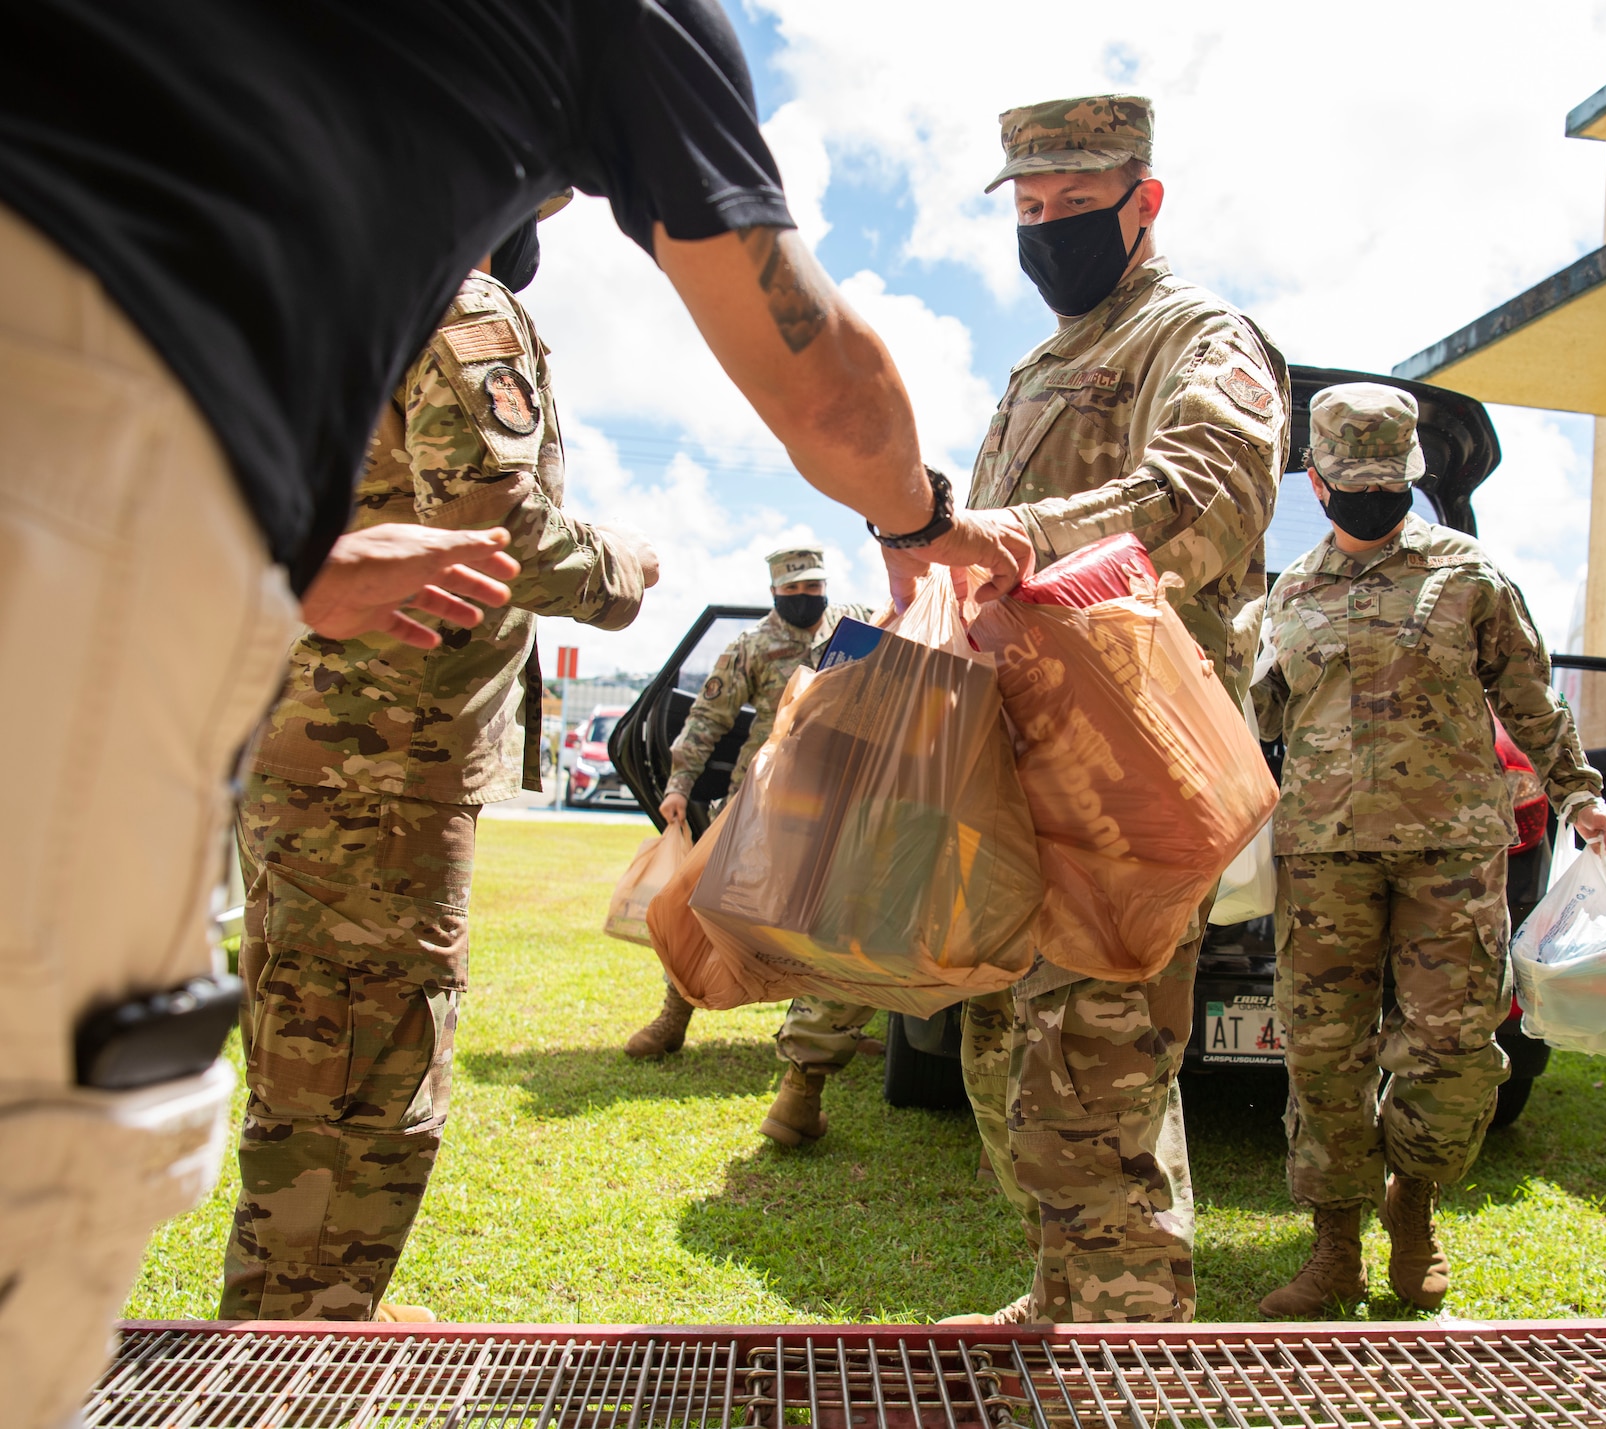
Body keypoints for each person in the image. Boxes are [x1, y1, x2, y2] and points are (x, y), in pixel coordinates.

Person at [0, 3, 1025, 1419]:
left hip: (145, 533)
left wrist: (294, 556)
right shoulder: (565, 132)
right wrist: (913, 525)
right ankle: (295, 1340)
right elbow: (810, 382)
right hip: (238, 640)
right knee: (84, 1155)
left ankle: (316, 1315)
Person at [220, 209, 659, 1322]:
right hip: (382, 766)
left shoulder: (342, 299)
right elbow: (493, 524)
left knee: (308, 1053)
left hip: (313, 749)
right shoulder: (462, 302)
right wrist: (622, 567)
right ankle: (300, 1340)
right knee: (365, 1067)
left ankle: (310, 1311)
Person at [941, 95, 1287, 1325]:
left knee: (1095, 1061)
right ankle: (1063, 1300)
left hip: (1125, 764)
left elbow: (1207, 499)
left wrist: (1012, 537)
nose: (1043, 230)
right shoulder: (1042, 365)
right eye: (1027, 209)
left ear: (1143, 201)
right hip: (1020, 753)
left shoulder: (1196, 336)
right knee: (1011, 1053)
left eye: (1071, 206)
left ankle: (1122, 1350)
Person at [1251, 384, 1606, 1316]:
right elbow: (1246, 722)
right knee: (1322, 1056)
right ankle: (1334, 1248)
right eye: (1353, 481)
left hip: (1450, 857)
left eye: (1388, 483)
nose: (1372, 497)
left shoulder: (1471, 578)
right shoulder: (1287, 594)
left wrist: (1579, 792)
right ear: (1317, 482)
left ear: (1410, 479)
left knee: (1453, 1052)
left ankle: (1410, 1208)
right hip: (1325, 857)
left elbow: (1532, 699)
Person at [627, 546, 885, 1149]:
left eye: (814, 585)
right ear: (776, 592)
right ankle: (675, 1015)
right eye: (795, 588)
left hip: (836, 799)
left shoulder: (857, 626)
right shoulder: (748, 647)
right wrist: (677, 788)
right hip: (761, 798)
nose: (807, 596)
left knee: (823, 919)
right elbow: (706, 721)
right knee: (711, 908)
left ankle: (834, 1029)